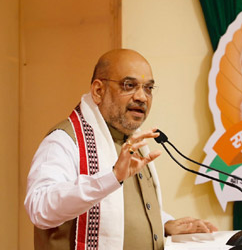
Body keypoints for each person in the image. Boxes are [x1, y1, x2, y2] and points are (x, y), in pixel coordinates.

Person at [25, 49, 217, 250]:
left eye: (149, 88)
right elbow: (39, 208)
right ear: (98, 91)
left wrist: (164, 224)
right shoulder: (64, 140)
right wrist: (112, 177)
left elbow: (124, 213)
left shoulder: (133, 140)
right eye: (129, 85)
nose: (142, 97)